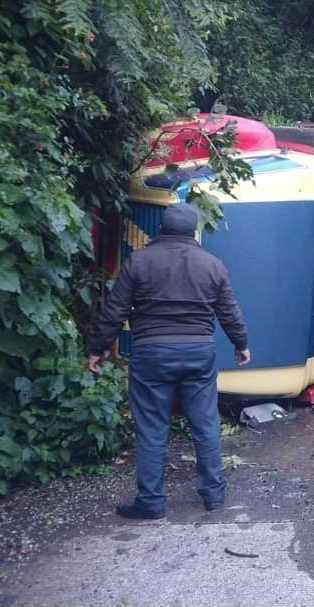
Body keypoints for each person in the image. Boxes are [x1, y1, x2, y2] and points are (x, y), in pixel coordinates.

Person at [87, 204, 250, 520]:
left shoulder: (139, 261)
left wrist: (98, 347)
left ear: (161, 229)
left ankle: (151, 501)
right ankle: (213, 496)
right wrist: (241, 344)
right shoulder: (212, 265)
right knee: (205, 424)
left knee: (151, 428)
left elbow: (115, 309)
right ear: (193, 231)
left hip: (152, 353)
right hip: (198, 353)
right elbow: (230, 312)